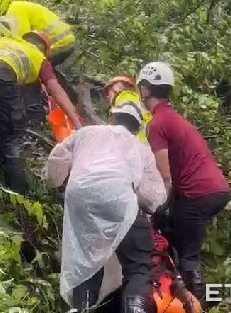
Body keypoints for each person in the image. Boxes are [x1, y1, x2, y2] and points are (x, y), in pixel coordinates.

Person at [46, 98, 166, 313]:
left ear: (112, 118)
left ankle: (83, 308)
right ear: (137, 126)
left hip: (79, 197)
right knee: (138, 265)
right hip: (117, 197)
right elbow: (154, 197)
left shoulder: (86, 133)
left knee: (87, 259)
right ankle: (134, 309)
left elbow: (57, 158)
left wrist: (56, 180)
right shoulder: (139, 147)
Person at [137, 61, 230, 309]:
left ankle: (198, 303)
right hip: (214, 190)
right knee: (178, 241)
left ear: (145, 90)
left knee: (186, 255)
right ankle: (203, 296)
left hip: (197, 194)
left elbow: (164, 175)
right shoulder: (172, 117)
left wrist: (159, 206)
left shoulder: (157, 123)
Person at [0, 21, 82, 195]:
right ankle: (18, 198)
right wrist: (77, 122)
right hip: (0, 74)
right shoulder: (38, 57)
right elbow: (55, 90)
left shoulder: (10, 41)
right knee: (13, 140)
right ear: (45, 50)